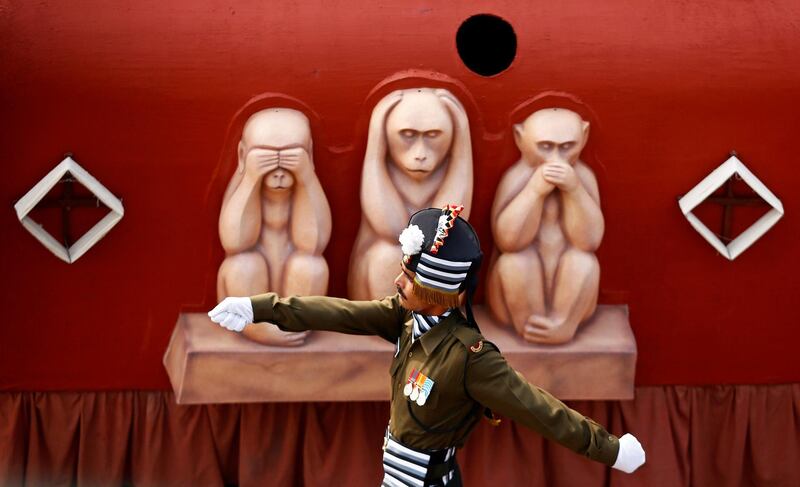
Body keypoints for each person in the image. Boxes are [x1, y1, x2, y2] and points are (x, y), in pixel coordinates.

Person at [209, 204, 645, 486]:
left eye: (410, 279)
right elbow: (336, 312)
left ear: (436, 291)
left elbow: (541, 411)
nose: (398, 282)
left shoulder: (470, 359)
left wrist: (610, 450)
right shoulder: (403, 318)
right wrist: (259, 307)